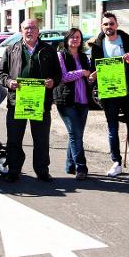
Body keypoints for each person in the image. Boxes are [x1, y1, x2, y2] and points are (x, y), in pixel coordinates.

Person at [0, 19, 61, 183]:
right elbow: (1, 73)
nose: (29, 31)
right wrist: (9, 82)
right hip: (17, 101)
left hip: (40, 102)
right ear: (21, 30)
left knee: (41, 139)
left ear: (38, 30)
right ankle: (13, 170)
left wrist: (53, 81)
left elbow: (58, 74)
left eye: (32, 28)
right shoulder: (11, 49)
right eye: (26, 28)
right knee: (14, 138)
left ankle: (42, 171)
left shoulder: (48, 50)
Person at [89, 12, 129, 180]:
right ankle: (116, 163)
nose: (109, 27)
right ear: (102, 26)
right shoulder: (97, 46)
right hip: (109, 93)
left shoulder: (128, 41)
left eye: (111, 24)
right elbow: (94, 68)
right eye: (105, 24)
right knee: (112, 129)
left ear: (117, 25)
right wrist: (93, 76)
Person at [53, 28, 92, 180]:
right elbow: (63, 77)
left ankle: (70, 164)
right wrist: (82, 72)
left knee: (76, 134)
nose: (75, 39)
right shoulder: (60, 55)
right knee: (75, 134)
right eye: (72, 37)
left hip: (83, 100)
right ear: (67, 39)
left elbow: (88, 77)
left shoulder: (83, 56)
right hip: (66, 100)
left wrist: (91, 77)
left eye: (78, 37)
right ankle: (81, 167)